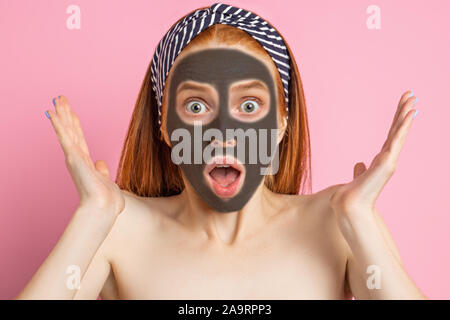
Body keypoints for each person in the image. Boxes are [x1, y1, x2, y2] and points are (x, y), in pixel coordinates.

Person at [17, 3, 426, 299]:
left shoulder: (339, 224)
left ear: (282, 122)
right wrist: (92, 218)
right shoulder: (117, 229)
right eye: (196, 107)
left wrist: (361, 222)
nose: (224, 133)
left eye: (250, 106)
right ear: (164, 125)